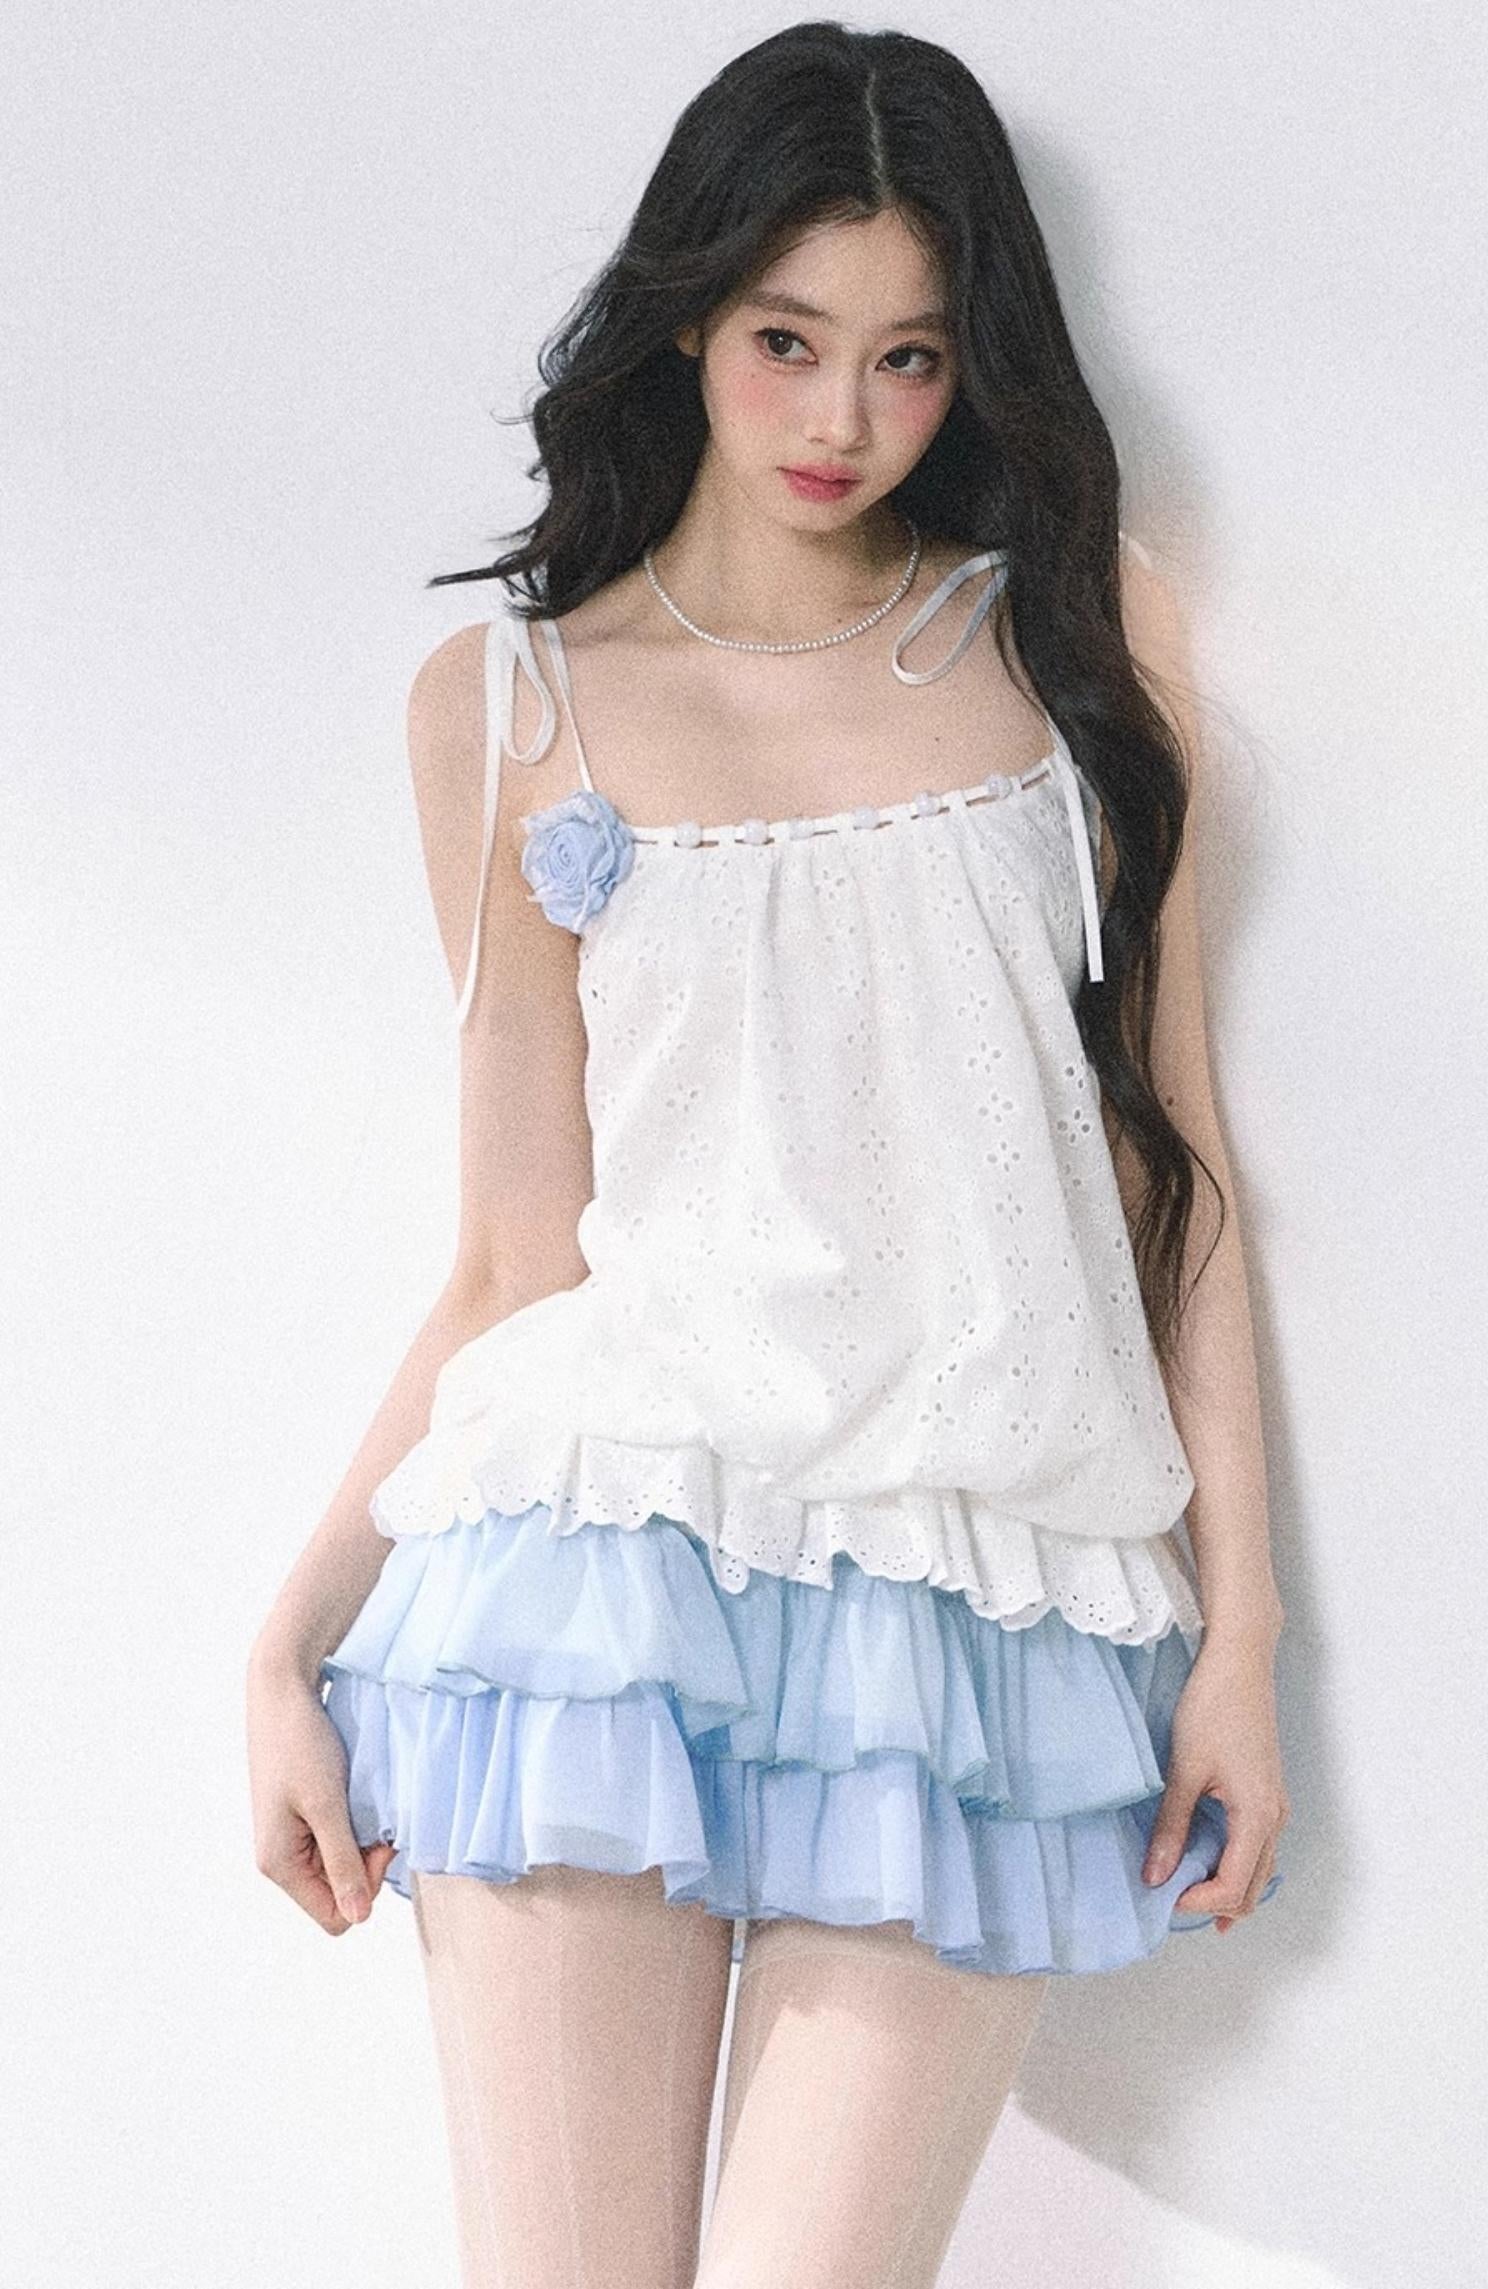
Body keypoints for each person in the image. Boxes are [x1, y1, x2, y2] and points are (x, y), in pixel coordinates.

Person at [246, 21, 1290, 2287]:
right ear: (683, 323)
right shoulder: (512, 708)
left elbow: (1175, 1166)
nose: (841, 418)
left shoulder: (1073, 644)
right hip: (586, 1574)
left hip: (968, 1607)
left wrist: (1243, 1636)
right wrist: (287, 1641)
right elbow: (514, 1257)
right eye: (785, 340)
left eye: (908, 357)